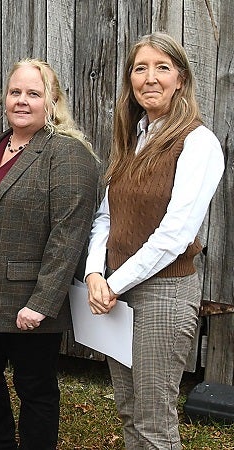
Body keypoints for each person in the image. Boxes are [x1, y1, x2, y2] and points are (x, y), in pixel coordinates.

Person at [0, 58, 99, 450]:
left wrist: (43, 302)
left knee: (35, 386)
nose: (22, 101)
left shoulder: (66, 153)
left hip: (27, 298)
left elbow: (69, 235)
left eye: (34, 93)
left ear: (53, 101)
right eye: (16, 92)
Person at [85, 32, 224, 449]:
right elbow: (107, 216)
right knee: (129, 411)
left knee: (154, 422)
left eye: (162, 67)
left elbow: (175, 235)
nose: (150, 78)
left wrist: (112, 283)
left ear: (180, 78)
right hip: (116, 292)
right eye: (140, 68)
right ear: (130, 80)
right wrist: (94, 272)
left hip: (163, 294)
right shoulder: (134, 139)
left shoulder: (198, 143)